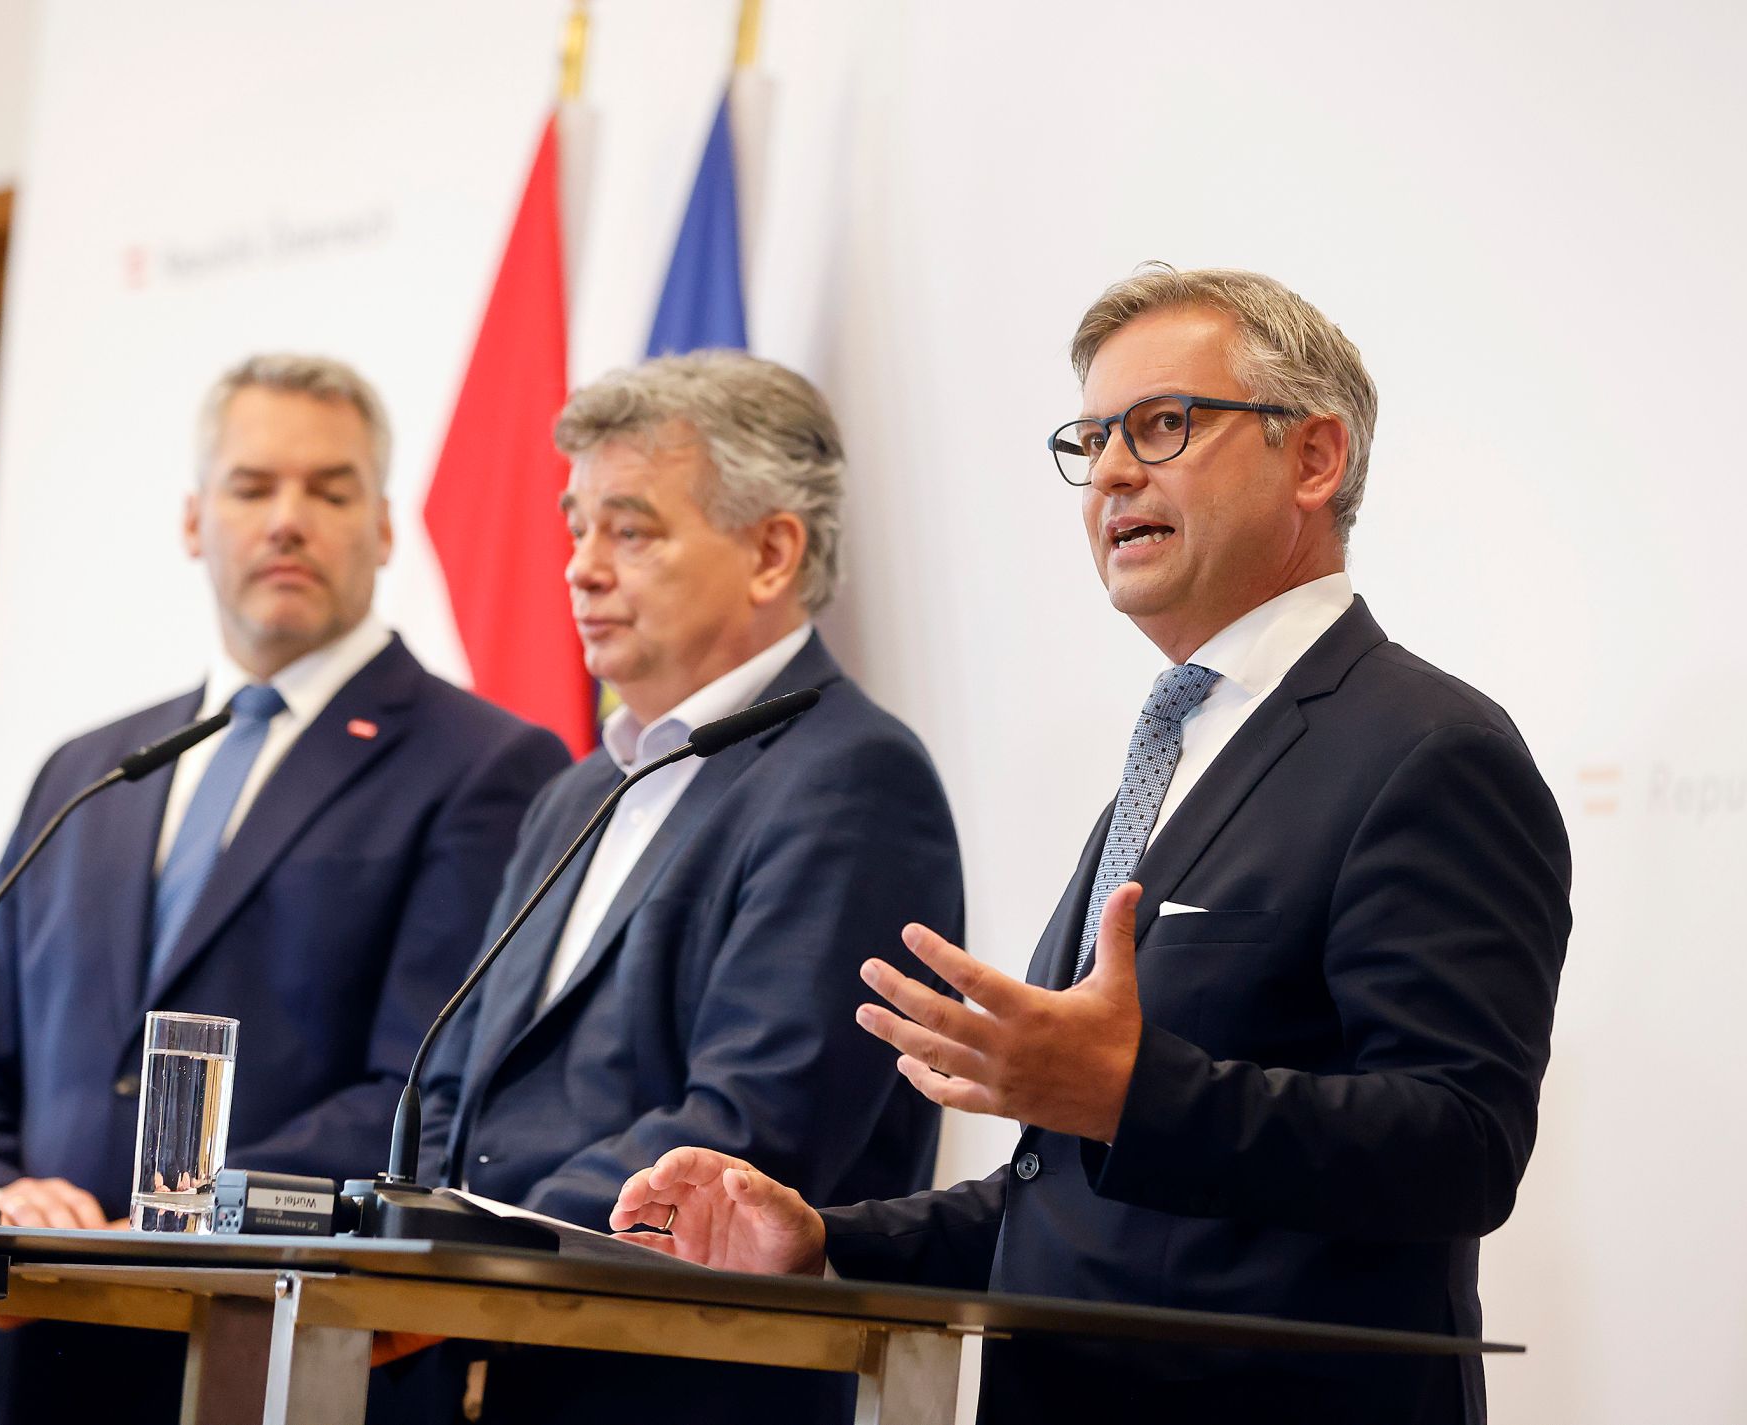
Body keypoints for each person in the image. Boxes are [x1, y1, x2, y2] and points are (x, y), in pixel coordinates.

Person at [610, 268, 1572, 1425]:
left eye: (1163, 425)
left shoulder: (1425, 747)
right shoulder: (1176, 746)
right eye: (1091, 437)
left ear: (1313, 459)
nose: (1111, 471)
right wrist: (822, 1245)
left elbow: (1458, 1147)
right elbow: (1066, 1197)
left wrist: (1129, 1093)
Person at [0, 354, 569, 1423]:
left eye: (330, 489)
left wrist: (169, 1223)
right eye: (253, 487)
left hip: (297, 1360)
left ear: (385, 528)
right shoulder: (89, 769)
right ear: (194, 519)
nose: (287, 520)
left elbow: (424, 1095)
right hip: (46, 1353)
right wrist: (4, 1194)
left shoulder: (487, 767)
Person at [400, 350, 965, 1423]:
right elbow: (452, 1088)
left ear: (769, 552)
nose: (579, 567)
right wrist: (406, 1241)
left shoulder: (852, 778)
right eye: (576, 527)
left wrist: (466, 1251)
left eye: (631, 529)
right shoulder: (576, 793)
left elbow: (752, 1125)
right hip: (471, 1358)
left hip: (678, 1384)